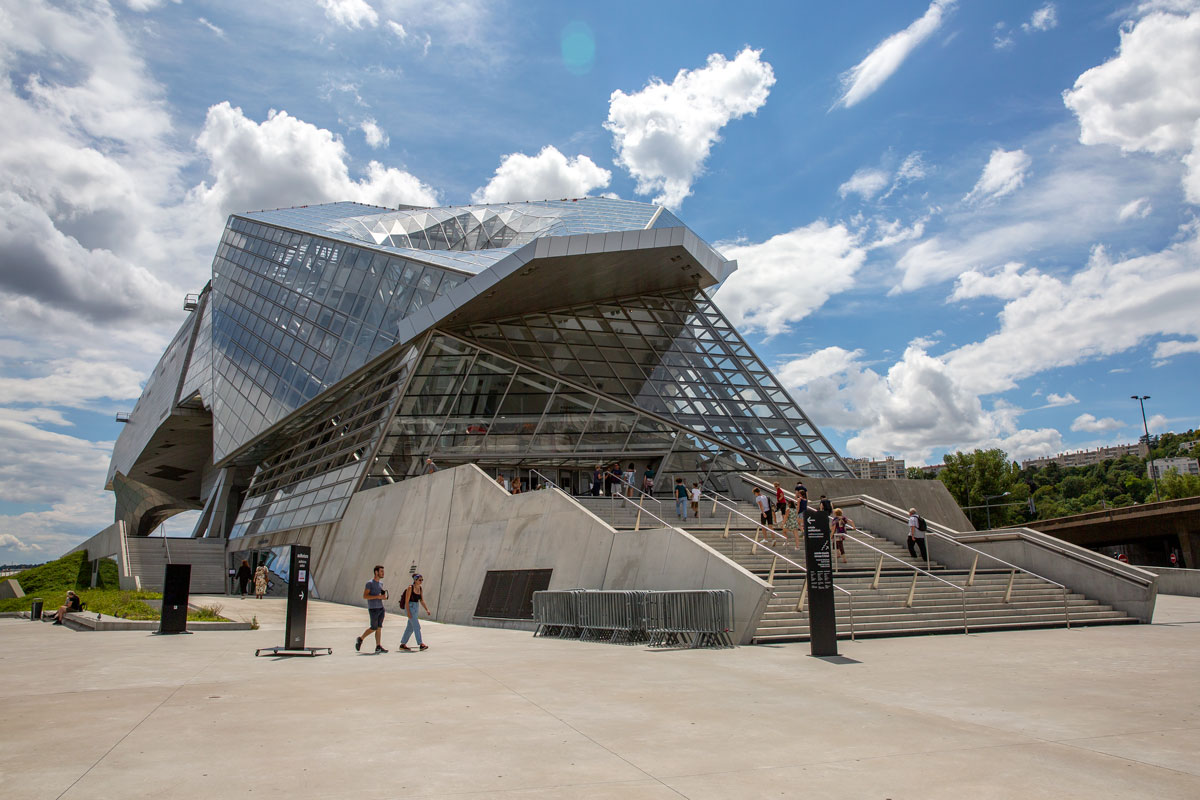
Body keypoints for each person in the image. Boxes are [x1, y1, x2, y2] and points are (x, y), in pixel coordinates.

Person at [355, 565, 389, 654]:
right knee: (373, 627)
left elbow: (380, 596)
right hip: (373, 609)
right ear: (376, 572)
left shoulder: (381, 584)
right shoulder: (369, 583)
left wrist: (383, 597)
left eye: (383, 571)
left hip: (381, 608)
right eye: (381, 571)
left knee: (379, 628)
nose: (383, 573)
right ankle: (361, 638)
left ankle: (378, 646)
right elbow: (365, 596)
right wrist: (377, 596)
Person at [399, 574, 431, 651]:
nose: (421, 581)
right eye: (420, 580)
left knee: (410, 627)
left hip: (416, 608)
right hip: (410, 607)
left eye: (422, 580)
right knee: (417, 626)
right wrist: (408, 612)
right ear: (415, 580)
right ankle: (421, 644)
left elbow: (421, 600)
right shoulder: (410, 588)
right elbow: (406, 601)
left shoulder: (420, 588)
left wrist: (427, 609)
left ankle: (403, 644)